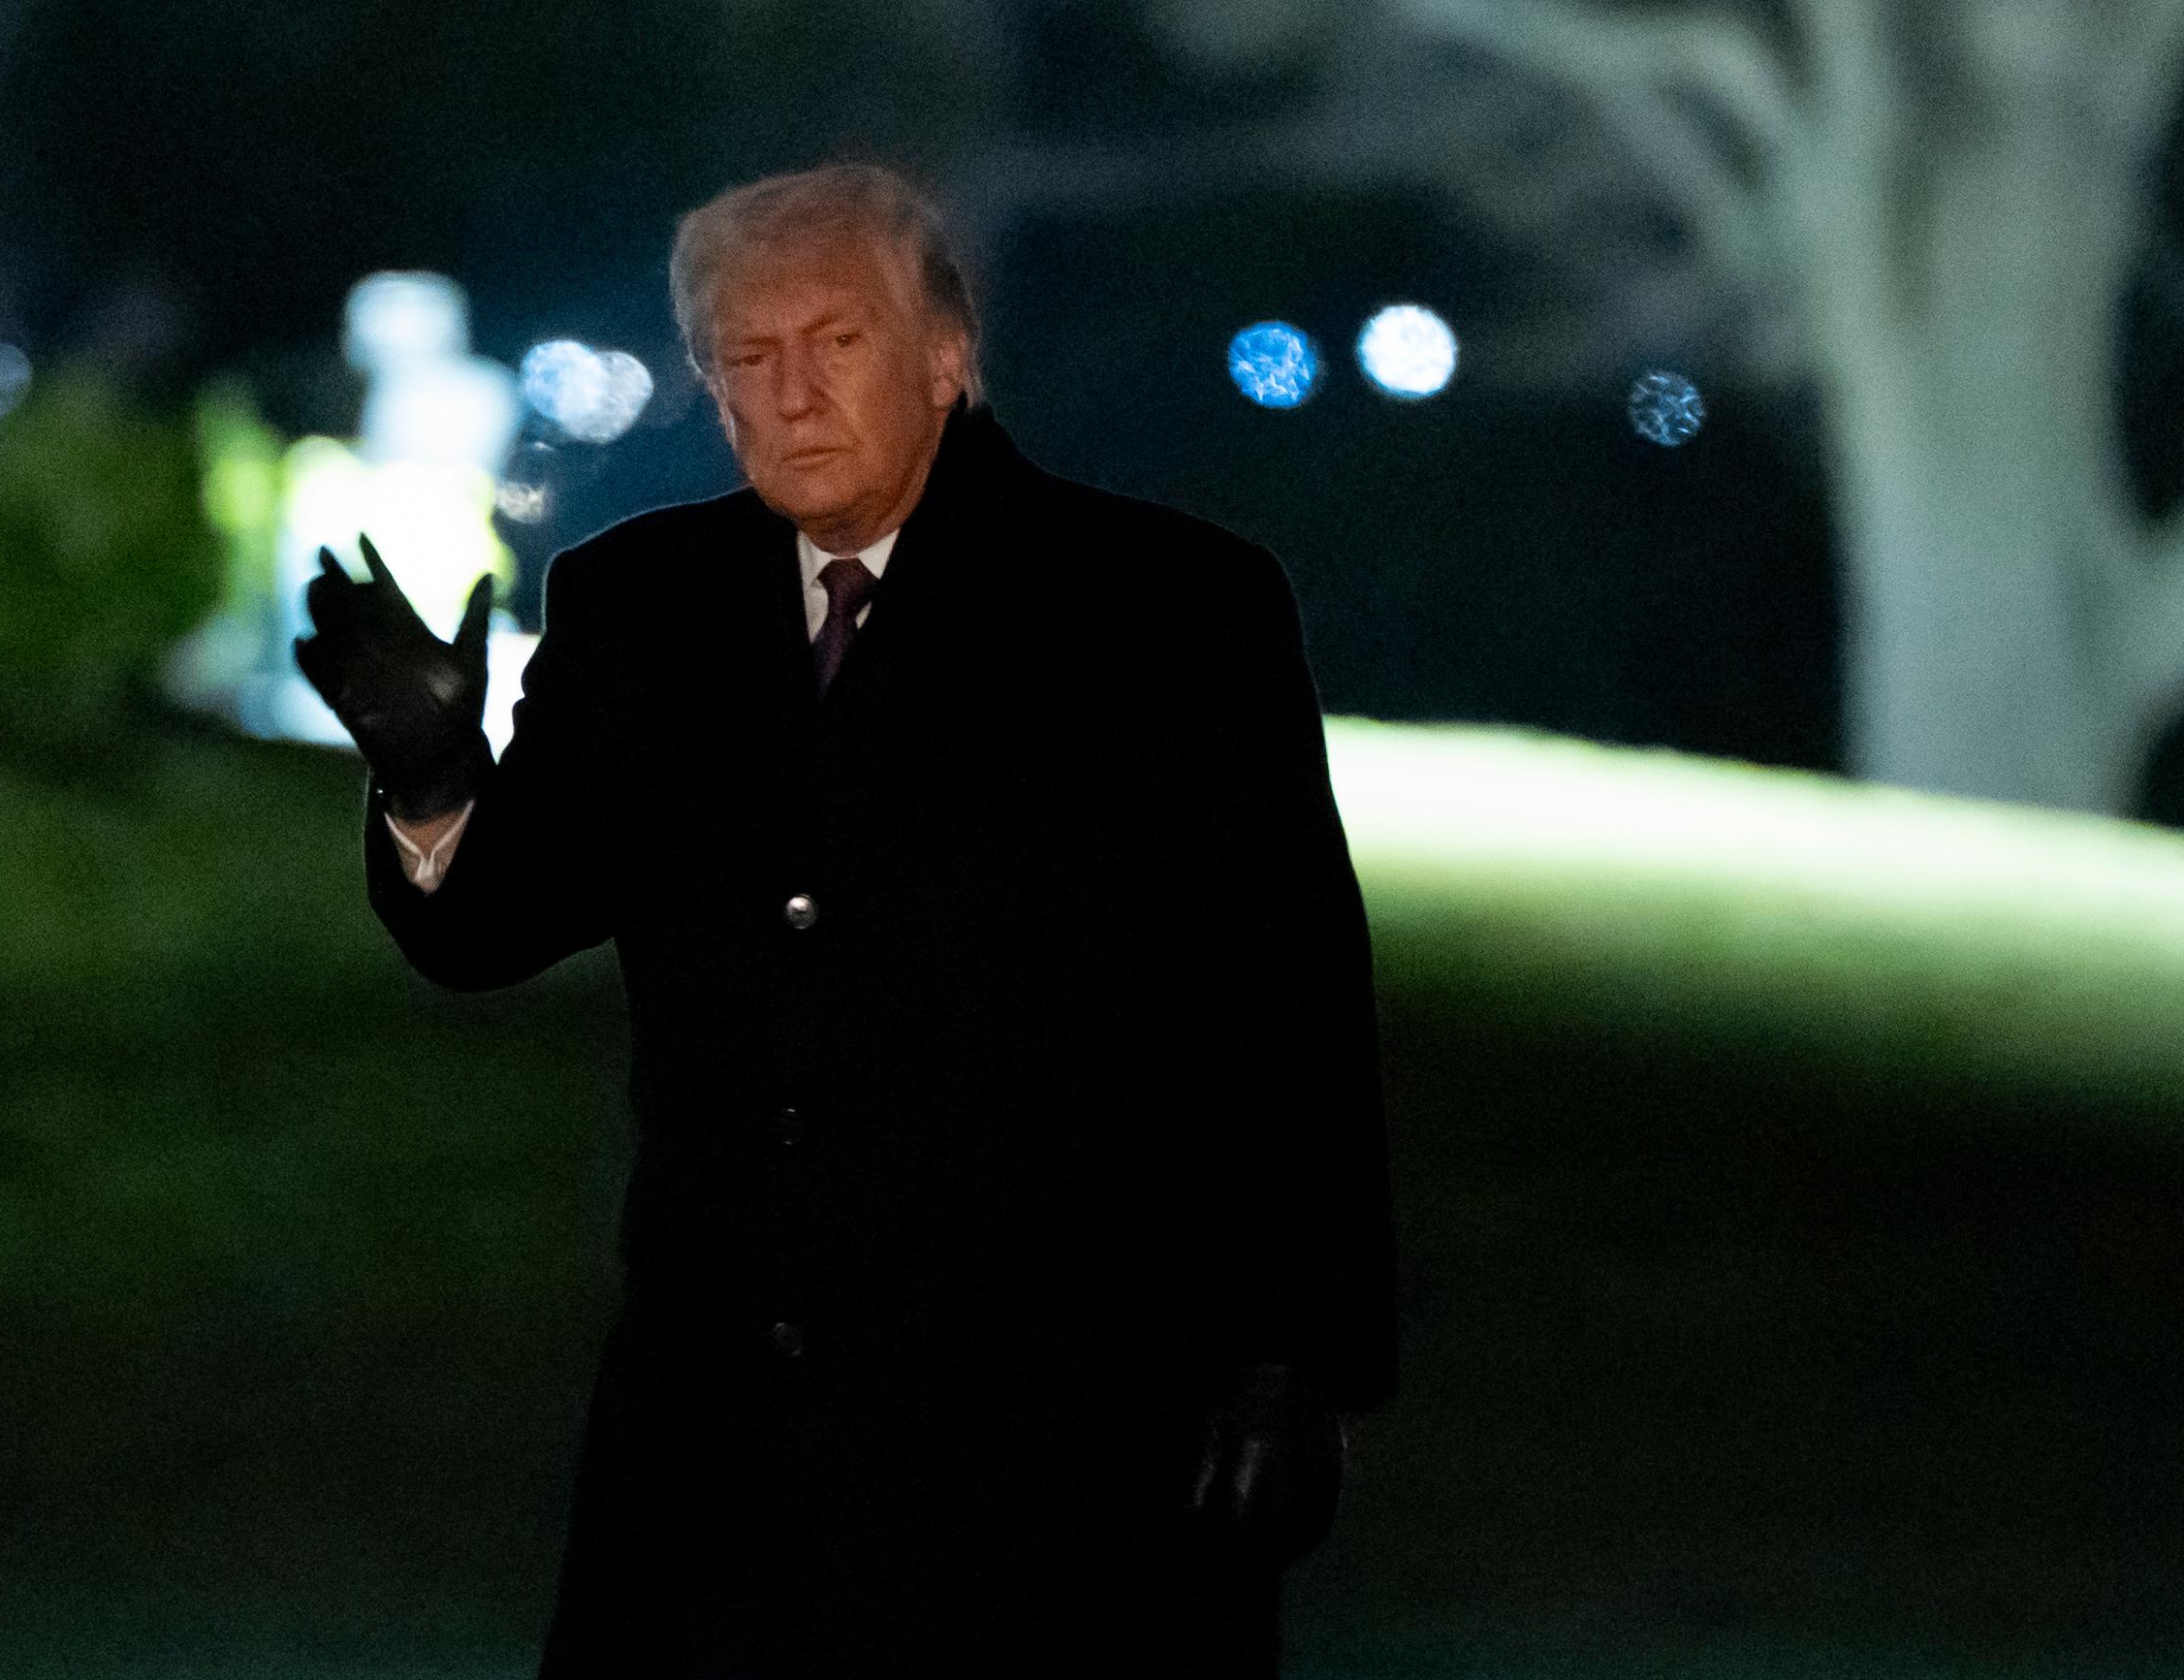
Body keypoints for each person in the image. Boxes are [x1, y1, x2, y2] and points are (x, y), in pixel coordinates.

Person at [293, 162, 1397, 1679]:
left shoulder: (1169, 612)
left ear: (946, 354)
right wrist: (428, 772)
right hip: (717, 1464)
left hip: (1064, 1461)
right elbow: (488, 926)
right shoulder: (640, 608)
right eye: (744, 358)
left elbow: (1293, 1004)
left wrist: (1292, 1356)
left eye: (837, 343)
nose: (791, 393)